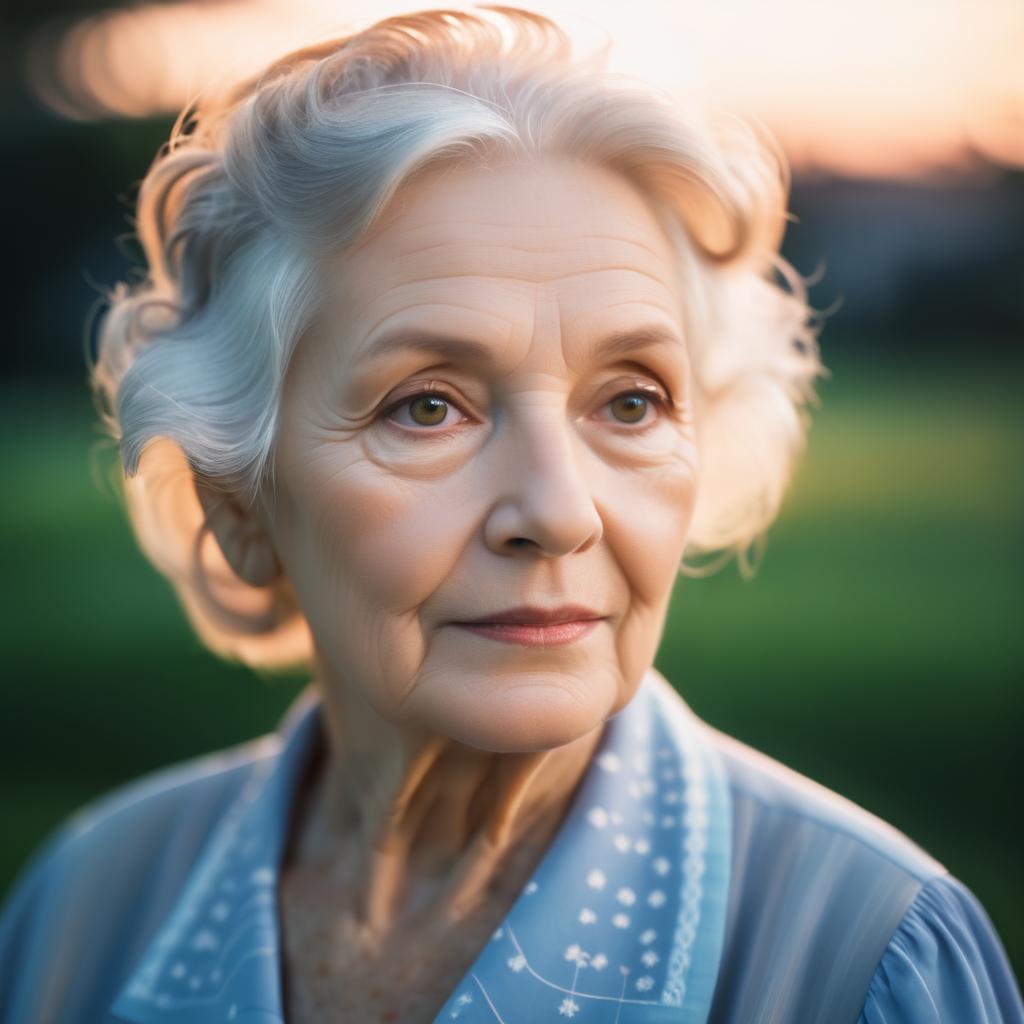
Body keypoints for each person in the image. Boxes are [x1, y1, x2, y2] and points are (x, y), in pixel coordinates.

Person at [1, 6, 1020, 1023]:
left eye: (631, 401)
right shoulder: (85, 910)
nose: (559, 512)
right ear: (240, 504)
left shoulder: (872, 963)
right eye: (427, 406)